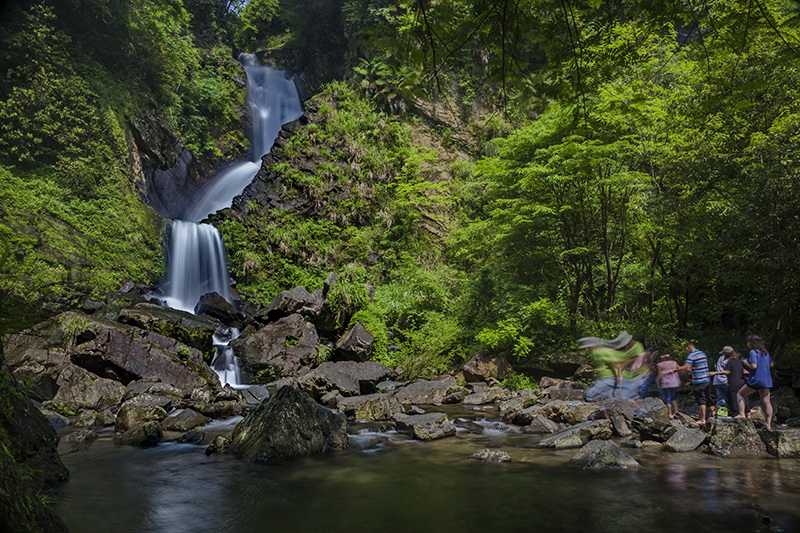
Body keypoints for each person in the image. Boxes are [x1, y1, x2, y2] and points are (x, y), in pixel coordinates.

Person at [579, 332, 651, 401]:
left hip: (611, 377)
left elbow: (615, 364)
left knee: (589, 395)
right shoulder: (603, 351)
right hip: (610, 377)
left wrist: (618, 376)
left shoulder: (600, 352)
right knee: (621, 396)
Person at [735, 335, 775, 430]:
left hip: (756, 379)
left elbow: (754, 366)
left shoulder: (753, 352)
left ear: (752, 343)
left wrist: (745, 362)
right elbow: (772, 364)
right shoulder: (765, 353)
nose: (747, 344)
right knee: (767, 403)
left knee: (740, 394)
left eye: (748, 342)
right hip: (766, 380)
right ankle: (768, 424)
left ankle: (741, 414)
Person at [676, 342, 713, 424]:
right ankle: (714, 415)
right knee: (708, 398)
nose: (686, 352)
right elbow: (695, 366)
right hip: (707, 379)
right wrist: (689, 370)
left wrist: (677, 369)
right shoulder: (702, 353)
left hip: (699, 380)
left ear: (687, 348)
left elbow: (686, 366)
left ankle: (703, 419)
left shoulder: (692, 355)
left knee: (701, 399)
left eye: (686, 350)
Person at [725, 347, 749, 417]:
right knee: (744, 396)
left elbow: (728, 371)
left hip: (733, 383)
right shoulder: (740, 362)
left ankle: (737, 413)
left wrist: (715, 373)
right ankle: (747, 412)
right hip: (742, 382)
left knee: (734, 398)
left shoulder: (730, 361)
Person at [656, 353, 681, 419]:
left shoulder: (660, 365)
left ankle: (670, 413)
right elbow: (679, 369)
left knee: (668, 398)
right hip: (674, 382)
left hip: (666, 383)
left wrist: (657, 382)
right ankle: (676, 412)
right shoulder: (674, 363)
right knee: (673, 397)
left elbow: (660, 374)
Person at [711, 346, 732, 414]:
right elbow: (729, 371)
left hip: (717, 381)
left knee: (721, 398)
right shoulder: (729, 361)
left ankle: (718, 413)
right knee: (731, 396)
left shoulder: (720, 358)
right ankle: (730, 411)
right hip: (725, 380)